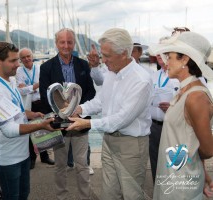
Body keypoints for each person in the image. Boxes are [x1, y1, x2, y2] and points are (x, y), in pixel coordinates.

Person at [67, 28, 152, 200]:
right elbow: (100, 101)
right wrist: (79, 109)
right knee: (109, 194)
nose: (103, 60)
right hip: (109, 141)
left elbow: (121, 119)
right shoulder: (112, 72)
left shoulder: (141, 80)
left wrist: (88, 123)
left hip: (131, 146)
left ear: (124, 54)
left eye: (107, 56)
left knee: (132, 194)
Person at [0, 42, 56, 200]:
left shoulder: (10, 81)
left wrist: (32, 114)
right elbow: (9, 129)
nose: (18, 64)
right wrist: (40, 126)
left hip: (21, 152)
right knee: (12, 197)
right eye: (13, 61)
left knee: (23, 194)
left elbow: (18, 111)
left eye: (18, 60)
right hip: (8, 157)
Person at [149, 31, 213, 199]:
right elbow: (189, 138)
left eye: (169, 57)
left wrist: (185, 161)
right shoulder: (185, 90)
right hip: (174, 176)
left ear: (184, 59)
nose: (165, 62)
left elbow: (207, 149)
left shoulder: (196, 96)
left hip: (181, 183)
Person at [39, 28, 96, 200]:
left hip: (80, 122)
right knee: (60, 165)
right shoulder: (46, 67)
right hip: (59, 123)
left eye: (69, 42)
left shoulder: (83, 65)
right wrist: (62, 109)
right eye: (62, 42)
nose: (66, 45)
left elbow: (91, 92)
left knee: (82, 165)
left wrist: (79, 109)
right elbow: (44, 95)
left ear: (73, 43)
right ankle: (61, 197)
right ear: (56, 43)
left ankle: (84, 197)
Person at [16, 47, 55, 169]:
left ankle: (44, 157)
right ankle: (32, 158)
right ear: (21, 60)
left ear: (32, 56)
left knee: (43, 129)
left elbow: (45, 85)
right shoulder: (19, 71)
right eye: (23, 57)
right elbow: (21, 90)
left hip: (41, 102)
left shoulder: (39, 68)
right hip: (29, 105)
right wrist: (35, 86)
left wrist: (30, 87)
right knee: (30, 130)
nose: (26, 59)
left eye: (28, 56)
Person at [149, 48, 179, 183]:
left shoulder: (179, 76)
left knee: (174, 163)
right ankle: (158, 190)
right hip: (154, 127)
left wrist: (173, 107)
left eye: (163, 51)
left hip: (173, 127)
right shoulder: (153, 76)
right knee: (155, 161)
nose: (158, 54)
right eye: (158, 51)